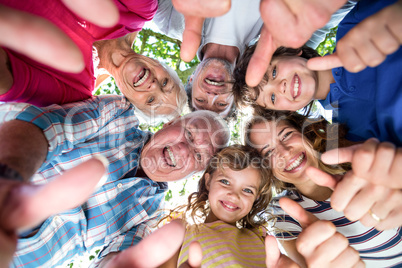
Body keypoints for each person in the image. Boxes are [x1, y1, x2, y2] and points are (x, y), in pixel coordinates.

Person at [0, 97, 229, 266]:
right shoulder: (118, 116)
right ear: (171, 122)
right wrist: (10, 176)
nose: (182, 149)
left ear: (196, 173)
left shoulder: (151, 216)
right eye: (189, 134)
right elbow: (49, 126)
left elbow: (117, 258)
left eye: (199, 156)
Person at [245, 111, 402, 267]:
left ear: (303, 132)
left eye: (286, 135)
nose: (285, 152)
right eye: (269, 151)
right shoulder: (281, 211)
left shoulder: (355, 162)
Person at [234, 0, 402, 145]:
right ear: (288, 112)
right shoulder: (350, 135)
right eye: (272, 98)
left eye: (274, 72)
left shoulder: (353, 25)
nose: (281, 86)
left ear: (290, 51)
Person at [154, 0, 356, 120]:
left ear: (190, 80)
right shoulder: (279, 44)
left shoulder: (171, 19)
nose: (212, 94)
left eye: (201, 100)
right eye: (221, 104)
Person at [0, 0, 186, 120]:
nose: (153, 85)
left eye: (151, 100)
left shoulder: (74, 90)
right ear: (161, 65)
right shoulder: (139, 12)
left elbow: (6, 80)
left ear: (129, 102)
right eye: (165, 82)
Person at [159, 145, 273, 267]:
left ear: (256, 197)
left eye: (247, 190)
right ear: (208, 182)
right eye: (225, 182)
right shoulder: (181, 235)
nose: (234, 196)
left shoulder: (261, 238)